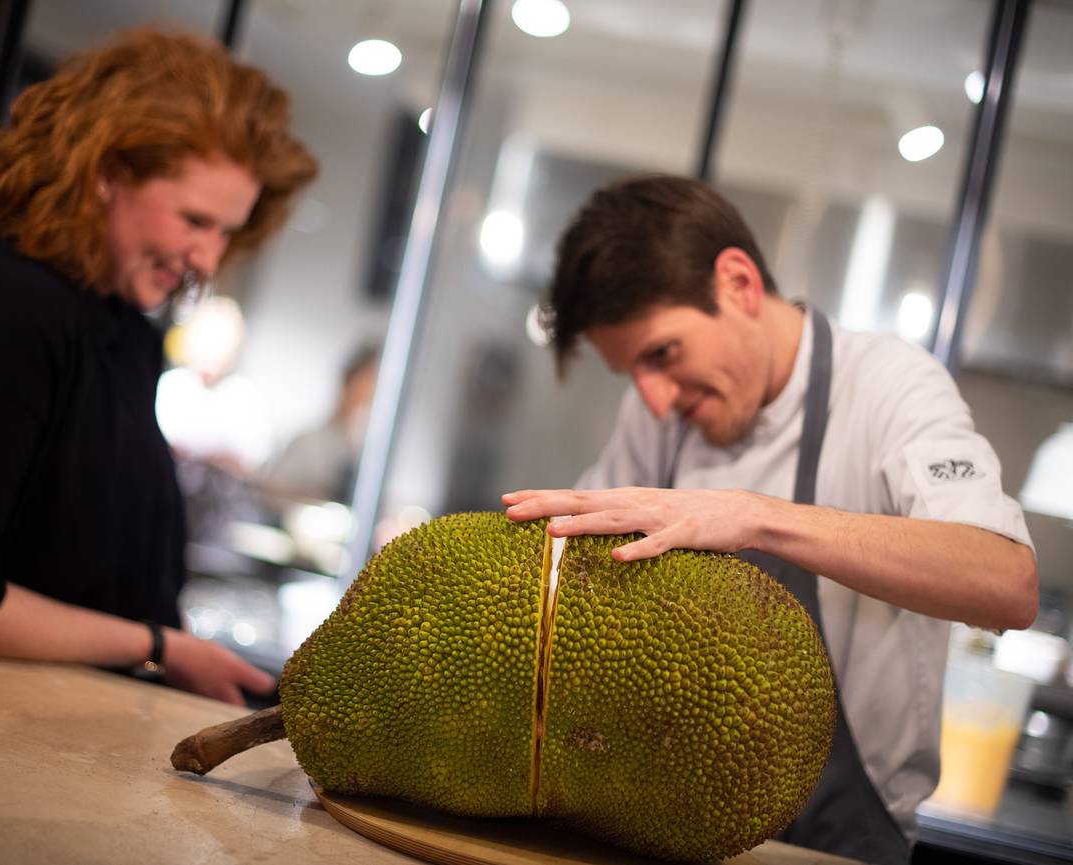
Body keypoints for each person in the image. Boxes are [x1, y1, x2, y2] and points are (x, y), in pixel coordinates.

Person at [502, 176, 1037, 863]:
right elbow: (567, 584)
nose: (655, 399)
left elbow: (1007, 579)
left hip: (838, 840)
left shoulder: (889, 386)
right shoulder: (657, 418)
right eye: (632, 372)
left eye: (663, 353)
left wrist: (755, 518)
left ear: (738, 283)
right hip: (662, 822)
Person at [0, 29, 318, 705]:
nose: (207, 257)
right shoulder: (10, 306)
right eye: (195, 219)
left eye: (226, 231)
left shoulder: (125, 331)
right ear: (105, 174)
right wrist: (160, 646)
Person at [259, 343, 379, 504]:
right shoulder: (309, 442)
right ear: (349, 382)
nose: (371, 394)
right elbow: (272, 490)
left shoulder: (364, 449)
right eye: (368, 382)